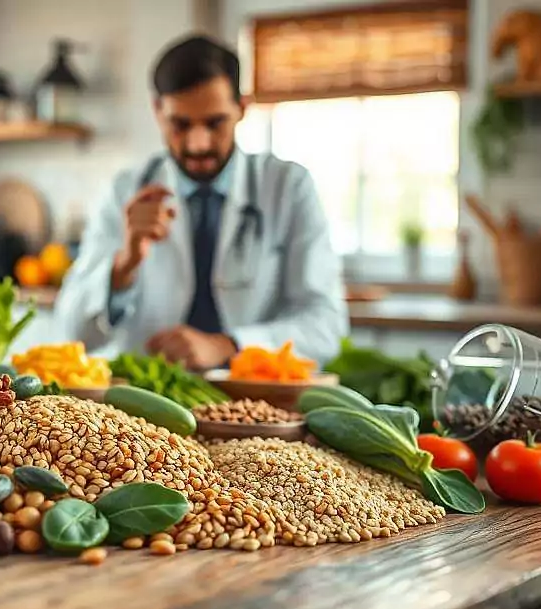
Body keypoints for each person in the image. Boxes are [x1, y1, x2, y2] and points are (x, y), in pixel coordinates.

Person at [53, 34, 348, 370]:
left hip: (255, 401)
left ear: (242, 108)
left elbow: (326, 326)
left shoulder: (288, 187)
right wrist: (125, 265)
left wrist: (228, 346)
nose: (198, 144)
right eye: (180, 125)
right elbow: (70, 332)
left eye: (215, 123)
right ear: (157, 111)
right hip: (146, 404)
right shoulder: (125, 191)